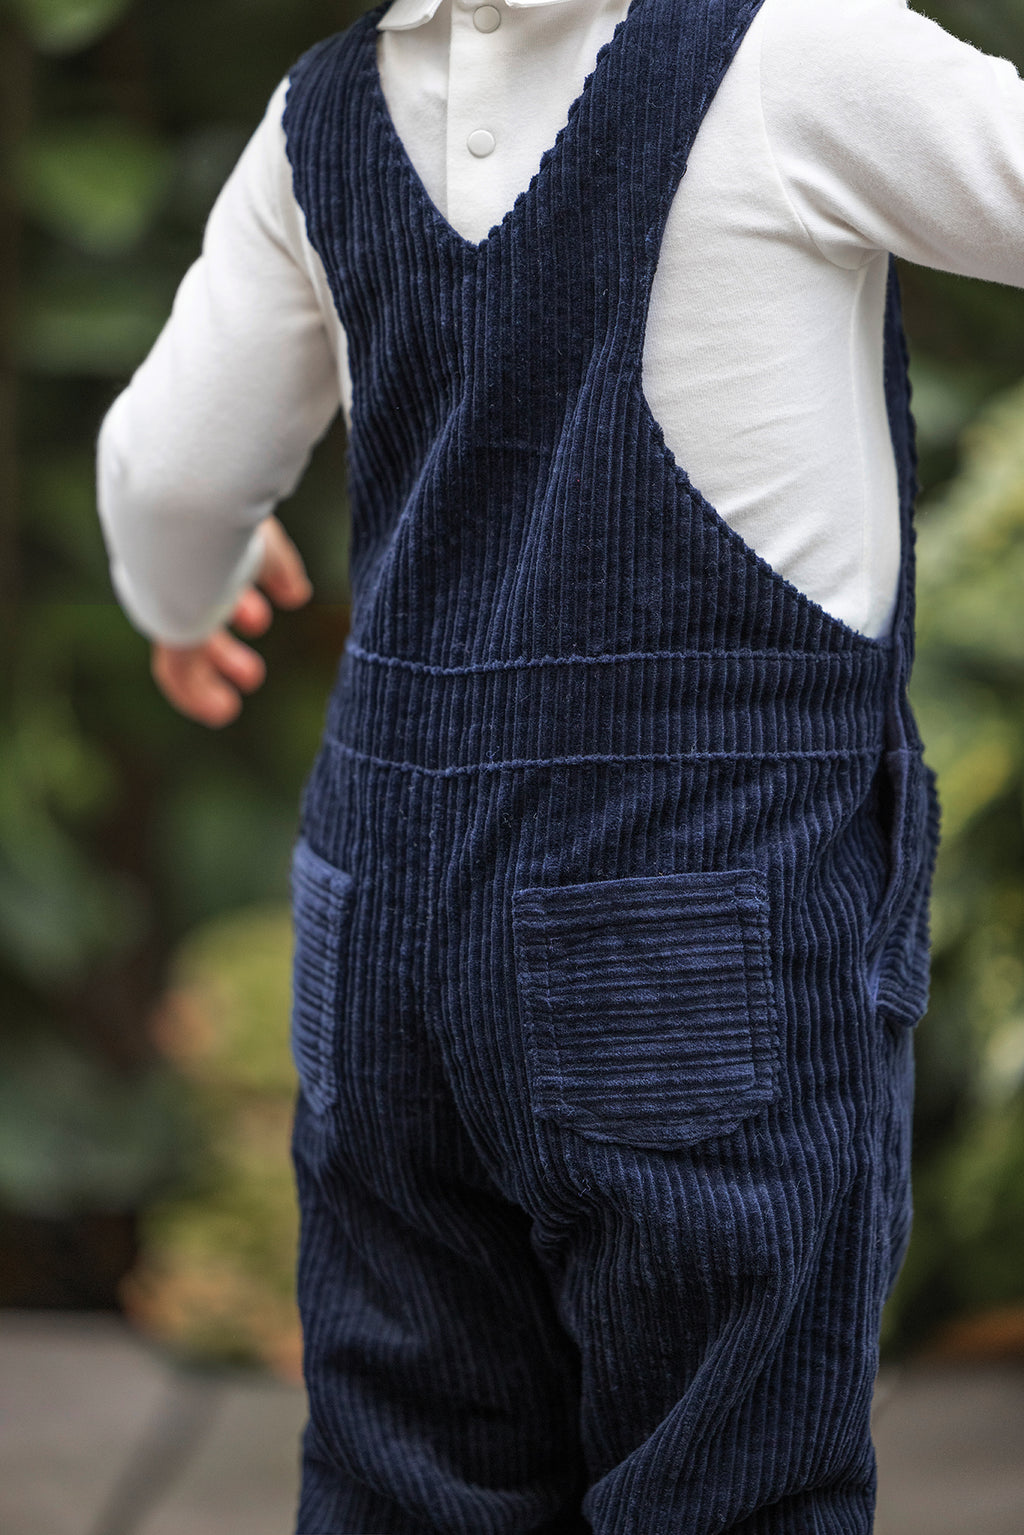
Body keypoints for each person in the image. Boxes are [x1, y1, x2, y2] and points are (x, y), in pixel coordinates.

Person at [95, 1, 1024, 1529]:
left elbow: (173, 472)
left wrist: (183, 597)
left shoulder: (319, 121)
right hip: (691, 927)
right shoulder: (796, 54)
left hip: (384, 941)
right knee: (727, 1476)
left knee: (405, 1466)